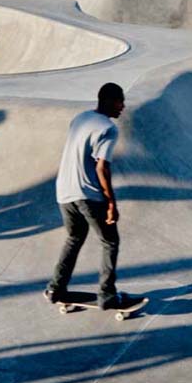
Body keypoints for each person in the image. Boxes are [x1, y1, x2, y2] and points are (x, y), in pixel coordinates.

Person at [45, 82, 135, 310]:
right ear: (107, 100)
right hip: (87, 193)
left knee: (74, 238)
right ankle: (107, 295)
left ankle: (56, 288)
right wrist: (111, 203)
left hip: (64, 191)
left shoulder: (80, 118)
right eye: (119, 101)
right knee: (110, 241)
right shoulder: (108, 128)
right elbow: (101, 167)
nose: (122, 107)